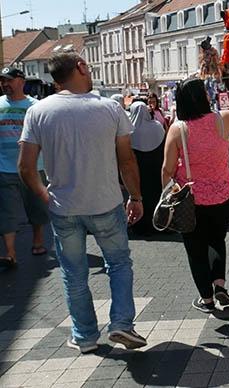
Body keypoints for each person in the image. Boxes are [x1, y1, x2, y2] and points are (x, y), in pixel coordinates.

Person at [18, 52, 147, 352]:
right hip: (106, 202)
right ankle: (121, 324)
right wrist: (136, 197)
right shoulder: (109, 107)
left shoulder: (38, 112)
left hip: (64, 207)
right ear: (80, 68)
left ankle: (85, 336)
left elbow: (26, 166)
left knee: (74, 273)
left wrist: (43, 193)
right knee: (118, 264)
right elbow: (126, 160)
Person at [161, 68, 229, 313]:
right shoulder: (221, 119)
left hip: (191, 200)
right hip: (223, 196)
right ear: (204, 97)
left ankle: (206, 299)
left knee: (195, 249)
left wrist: (168, 193)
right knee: (217, 241)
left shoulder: (178, 129)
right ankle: (219, 284)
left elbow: (166, 168)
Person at [0, 67, 48, 268]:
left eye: (9, 80)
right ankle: (10, 253)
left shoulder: (35, 106)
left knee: (36, 207)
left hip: (33, 167)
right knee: (6, 211)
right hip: (4, 168)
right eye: (2, 81)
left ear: (21, 81)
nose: (5, 84)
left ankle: (37, 241)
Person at [129, 101, 166, 236]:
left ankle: (140, 226)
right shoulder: (157, 127)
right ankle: (158, 224)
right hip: (156, 169)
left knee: (140, 198)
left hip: (138, 173)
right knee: (156, 197)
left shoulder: (128, 132)